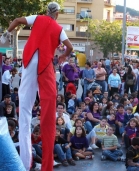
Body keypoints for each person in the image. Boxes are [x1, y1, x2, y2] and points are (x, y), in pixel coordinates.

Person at [0, 2, 73, 170]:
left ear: (46, 11)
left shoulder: (37, 18)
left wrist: (6, 33)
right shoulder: (59, 28)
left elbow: (17, 20)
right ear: (57, 14)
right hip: (45, 66)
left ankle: (25, 163)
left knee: (24, 110)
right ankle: (45, 164)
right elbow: (69, 47)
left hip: (28, 63)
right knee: (48, 107)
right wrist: (62, 56)